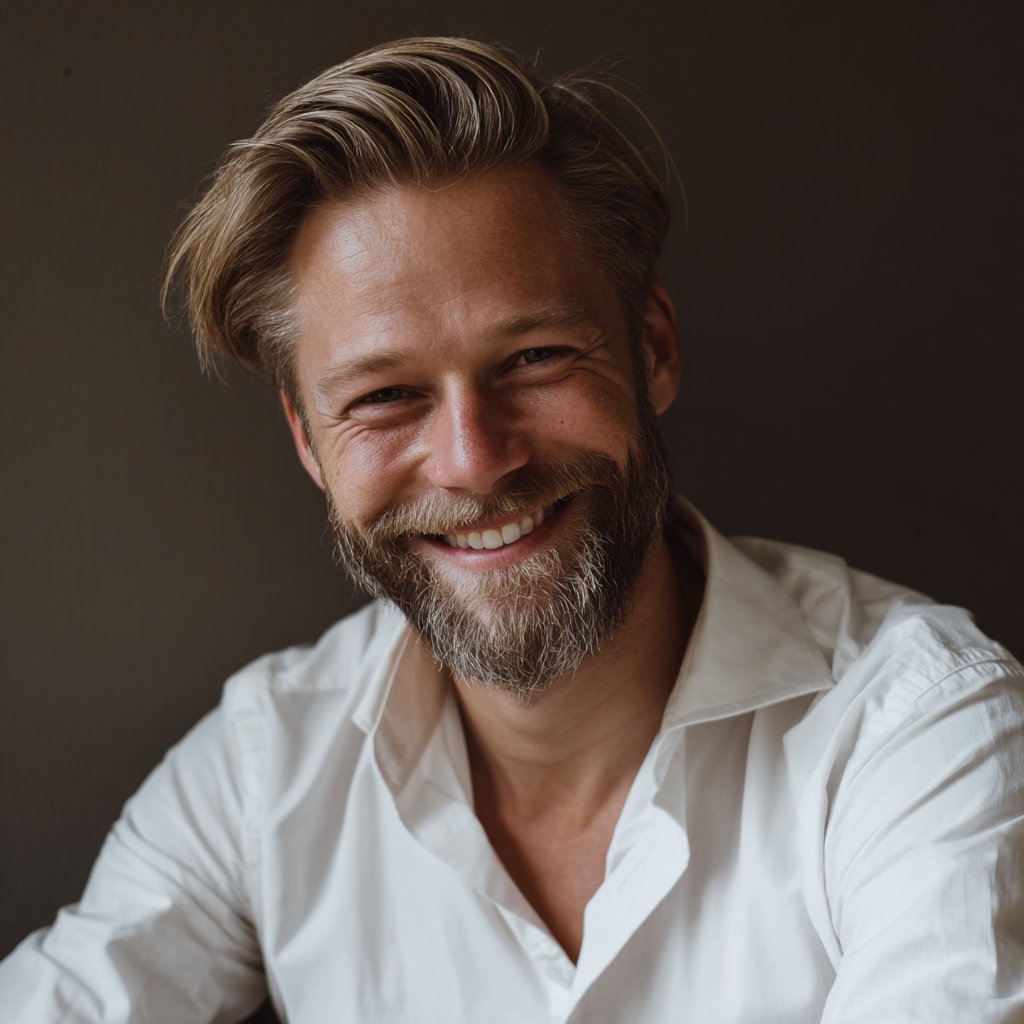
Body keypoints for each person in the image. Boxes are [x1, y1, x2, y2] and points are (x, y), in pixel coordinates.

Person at [2, 34, 1023, 1023]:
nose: (474, 458)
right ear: (308, 440)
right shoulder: (265, 765)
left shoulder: (921, 731)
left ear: (652, 349)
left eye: (534, 357)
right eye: (385, 396)